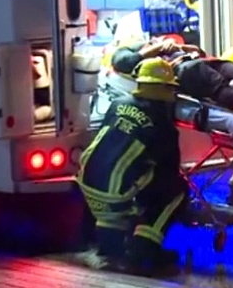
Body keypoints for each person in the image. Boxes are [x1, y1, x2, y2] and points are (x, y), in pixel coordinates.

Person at [76, 58, 187, 275]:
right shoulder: (163, 124)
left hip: (85, 182)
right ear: (165, 88)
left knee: (124, 174)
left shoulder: (118, 104)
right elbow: (169, 172)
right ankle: (147, 246)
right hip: (115, 195)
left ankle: (108, 242)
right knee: (177, 190)